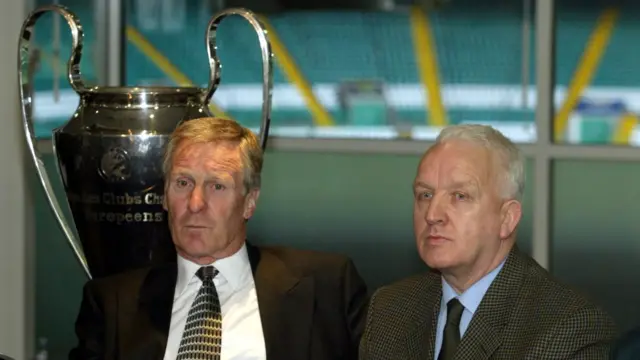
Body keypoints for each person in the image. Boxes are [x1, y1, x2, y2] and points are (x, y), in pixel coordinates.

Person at [69, 117, 369, 360]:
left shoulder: (327, 286)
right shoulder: (113, 303)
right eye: (183, 183)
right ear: (164, 197)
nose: (195, 203)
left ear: (249, 202)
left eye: (217, 186)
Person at [359, 124, 617, 359]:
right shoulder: (389, 309)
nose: (432, 215)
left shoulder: (568, 327)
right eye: (425, 194)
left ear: (507, 219)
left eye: (460, 196)